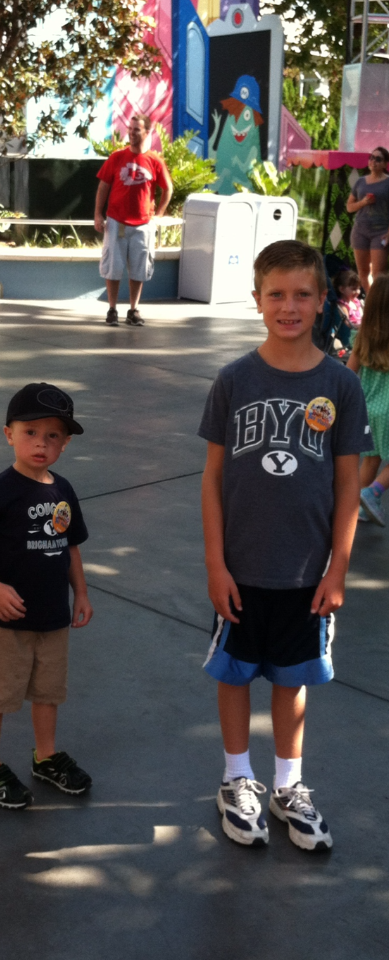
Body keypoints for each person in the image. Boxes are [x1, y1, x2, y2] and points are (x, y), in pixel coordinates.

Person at [199, 240, 371, 851]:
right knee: (235, 673)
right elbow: (212, 479)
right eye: (276, 295)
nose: (289, 306)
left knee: (291, 681)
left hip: (307, 572)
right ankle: (235, 778)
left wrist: (338, 567)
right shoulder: (234, 380)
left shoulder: (340, 386)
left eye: (302, 294)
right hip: (240, 568)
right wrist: (215, 564)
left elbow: (349, 485)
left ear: (323, 300)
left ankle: (288, 785)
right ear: (257, 300)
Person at [0, 383, 93, 809]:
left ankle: (46, 755)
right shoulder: (0, 491)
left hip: (53, 616)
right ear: (9, 434)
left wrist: (81, 593)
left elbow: (70, 546)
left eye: (52, 435)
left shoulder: (63, 490)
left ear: (65, 443)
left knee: (48, 691)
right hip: (9, 620)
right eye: (31, 432)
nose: (41, 443)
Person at [94, 114, 173, 327]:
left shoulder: (155, 161)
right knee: (113, 267)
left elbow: (168, 189)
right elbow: (103, 186)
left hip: (143, 225)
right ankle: (112, 309)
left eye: (136, 130)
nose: (131, 133)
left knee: (139, 269)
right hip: (116, 221)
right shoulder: (117, 157)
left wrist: (158, 214)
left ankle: (133, 309)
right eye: (130, 129)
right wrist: (98, 214)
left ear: (147, 132)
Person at [347, 274, 389, 527]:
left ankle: (356, 507)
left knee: (371, 459)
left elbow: (349, 373)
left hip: (367, 408)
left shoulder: (362, 337)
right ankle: (373, 492)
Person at [346, 146, 389, 292]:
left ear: (385, 164)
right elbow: (349, 207)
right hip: (360, 231)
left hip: (380, 233)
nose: (373, 161)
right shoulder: (360, 182)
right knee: (363, 273)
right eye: (371, 157)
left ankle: (378, 302)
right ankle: (370, 302)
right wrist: (363, 202)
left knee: (378, 274)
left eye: (378, 159)